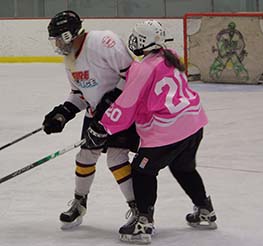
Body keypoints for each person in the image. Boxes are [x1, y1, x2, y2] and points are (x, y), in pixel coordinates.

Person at [84, 20, 217, 244]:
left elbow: (128, 103)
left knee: (142, 171)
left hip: (168, 131)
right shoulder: (171, 55)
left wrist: (102, 126)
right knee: (183, 167)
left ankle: (143, 222)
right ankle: (205, 209)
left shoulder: (143, 68)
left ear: (143, 41)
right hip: (193, 123)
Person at [43, 10, 139, 230]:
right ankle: (79, 202)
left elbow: (132, 74)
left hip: (123, 111)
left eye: (58, 37)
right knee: (85, 156)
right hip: (97, 113)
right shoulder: (70, 60)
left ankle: (138, 209)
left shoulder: (104, 42)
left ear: (69, 35)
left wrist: (111, 100)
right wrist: (62, 114)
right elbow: (79, 94)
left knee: (116, 158)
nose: (56, 43)